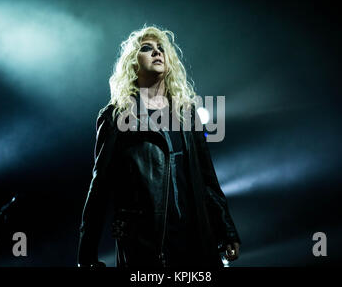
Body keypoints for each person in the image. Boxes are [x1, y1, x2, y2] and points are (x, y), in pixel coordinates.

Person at [77, 25, 241, 268]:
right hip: (145, 246)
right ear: (133, 64)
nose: (156, 52)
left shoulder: (187, 113)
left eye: (161, 48)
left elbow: (207, 179)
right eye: (146, 48)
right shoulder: (116, 117)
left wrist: (226, 229)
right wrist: (86, 255)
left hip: (195, 242)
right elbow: (99, 187)